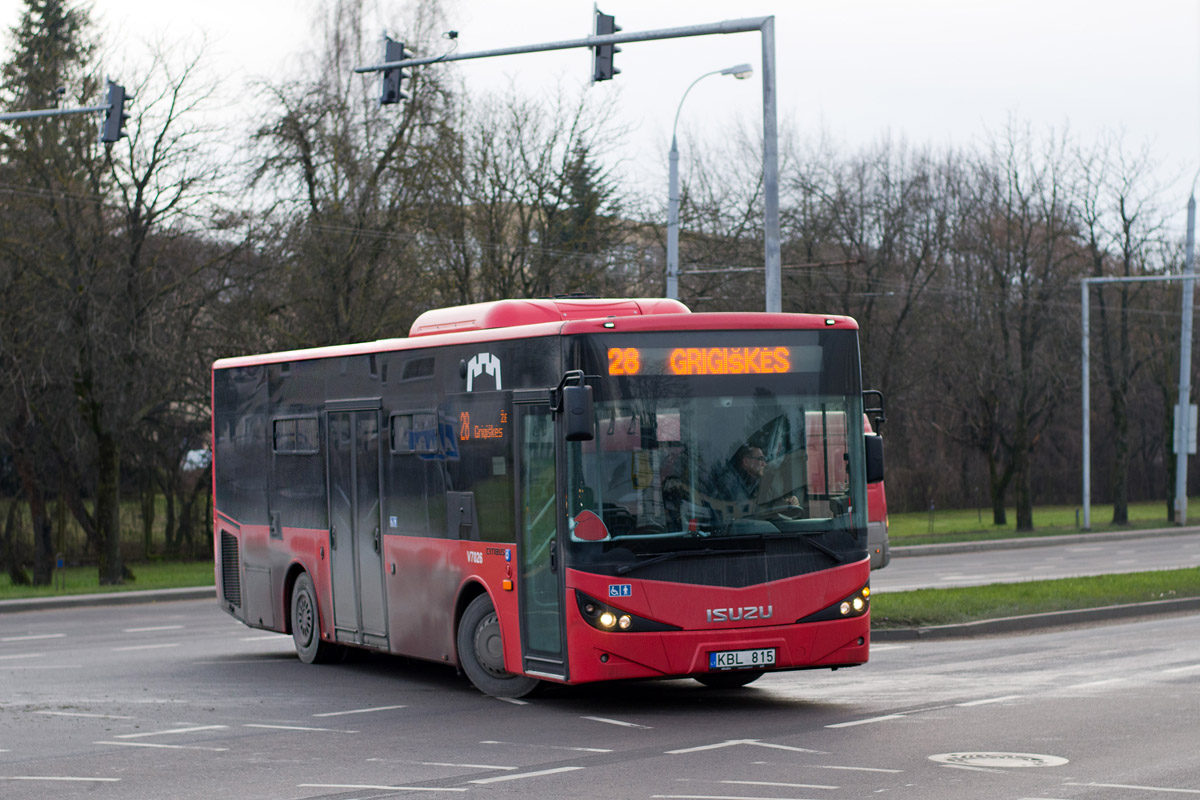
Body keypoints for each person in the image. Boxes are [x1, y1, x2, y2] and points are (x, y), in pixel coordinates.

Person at [706, 444, 799, 515]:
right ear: (746, 461)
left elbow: (774, 503)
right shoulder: (730, 483)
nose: (764, 464)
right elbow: (740, 511)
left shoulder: (762, 482)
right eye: (760, 459)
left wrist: (788, 502)